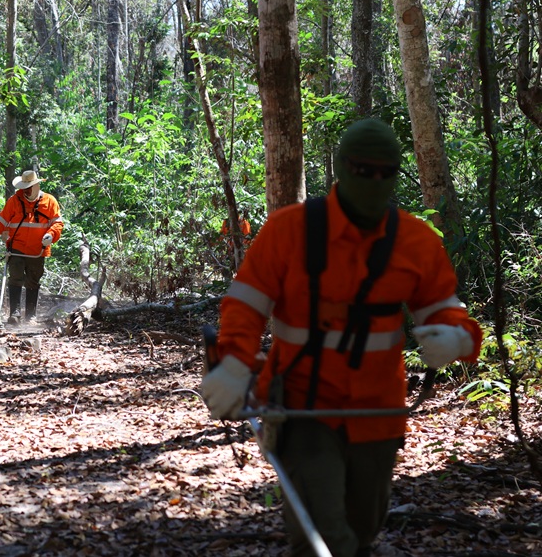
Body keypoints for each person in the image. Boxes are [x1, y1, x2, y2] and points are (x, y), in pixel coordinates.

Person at [198, 118, 482, 557]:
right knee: (321, 539)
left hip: (378, 414)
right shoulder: (288, 230)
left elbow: (447, 309)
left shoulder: (416, 242)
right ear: (341, 169)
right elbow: (246, 305)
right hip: (301, 407)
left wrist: (457, 338)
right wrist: (235, 362)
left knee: (361, 529)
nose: (373, 181)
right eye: (362, 170)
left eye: (384, 172)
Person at [0, 169, 64, 324]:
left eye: (28, 187)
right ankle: (15, 314)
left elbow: (57, 223)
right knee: (15, 279)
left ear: (36, 186)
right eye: (23, 188)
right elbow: (1, 221)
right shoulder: (15, 201)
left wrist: (51, 235)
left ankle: (31, 317)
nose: (25, 191)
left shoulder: (50, 201)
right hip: (16, 248)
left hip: (37, 250)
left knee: (33, 281)